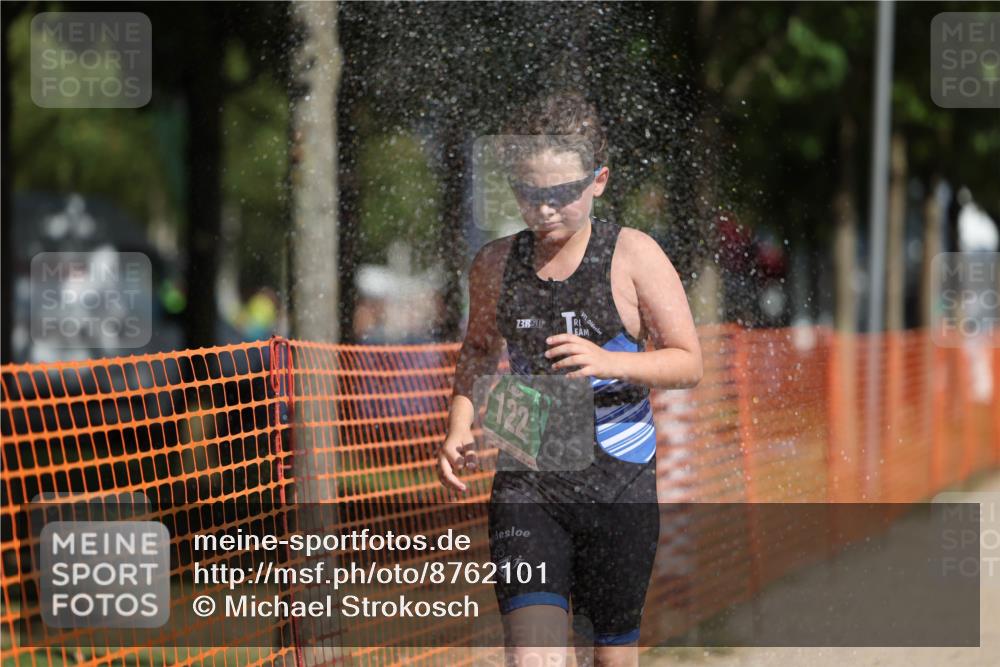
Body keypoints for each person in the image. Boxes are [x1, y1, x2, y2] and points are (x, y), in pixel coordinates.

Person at [437, 90, 702, 667]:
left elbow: (688, 362)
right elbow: (479, 350)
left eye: (561, 193)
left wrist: (612, 362)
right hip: (527, 483)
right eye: (529, 194)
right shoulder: (495, 264)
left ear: (598, 181)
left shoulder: (633, 255)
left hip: (619, 486)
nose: (545, 209)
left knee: (610, 658)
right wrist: (459, 423)